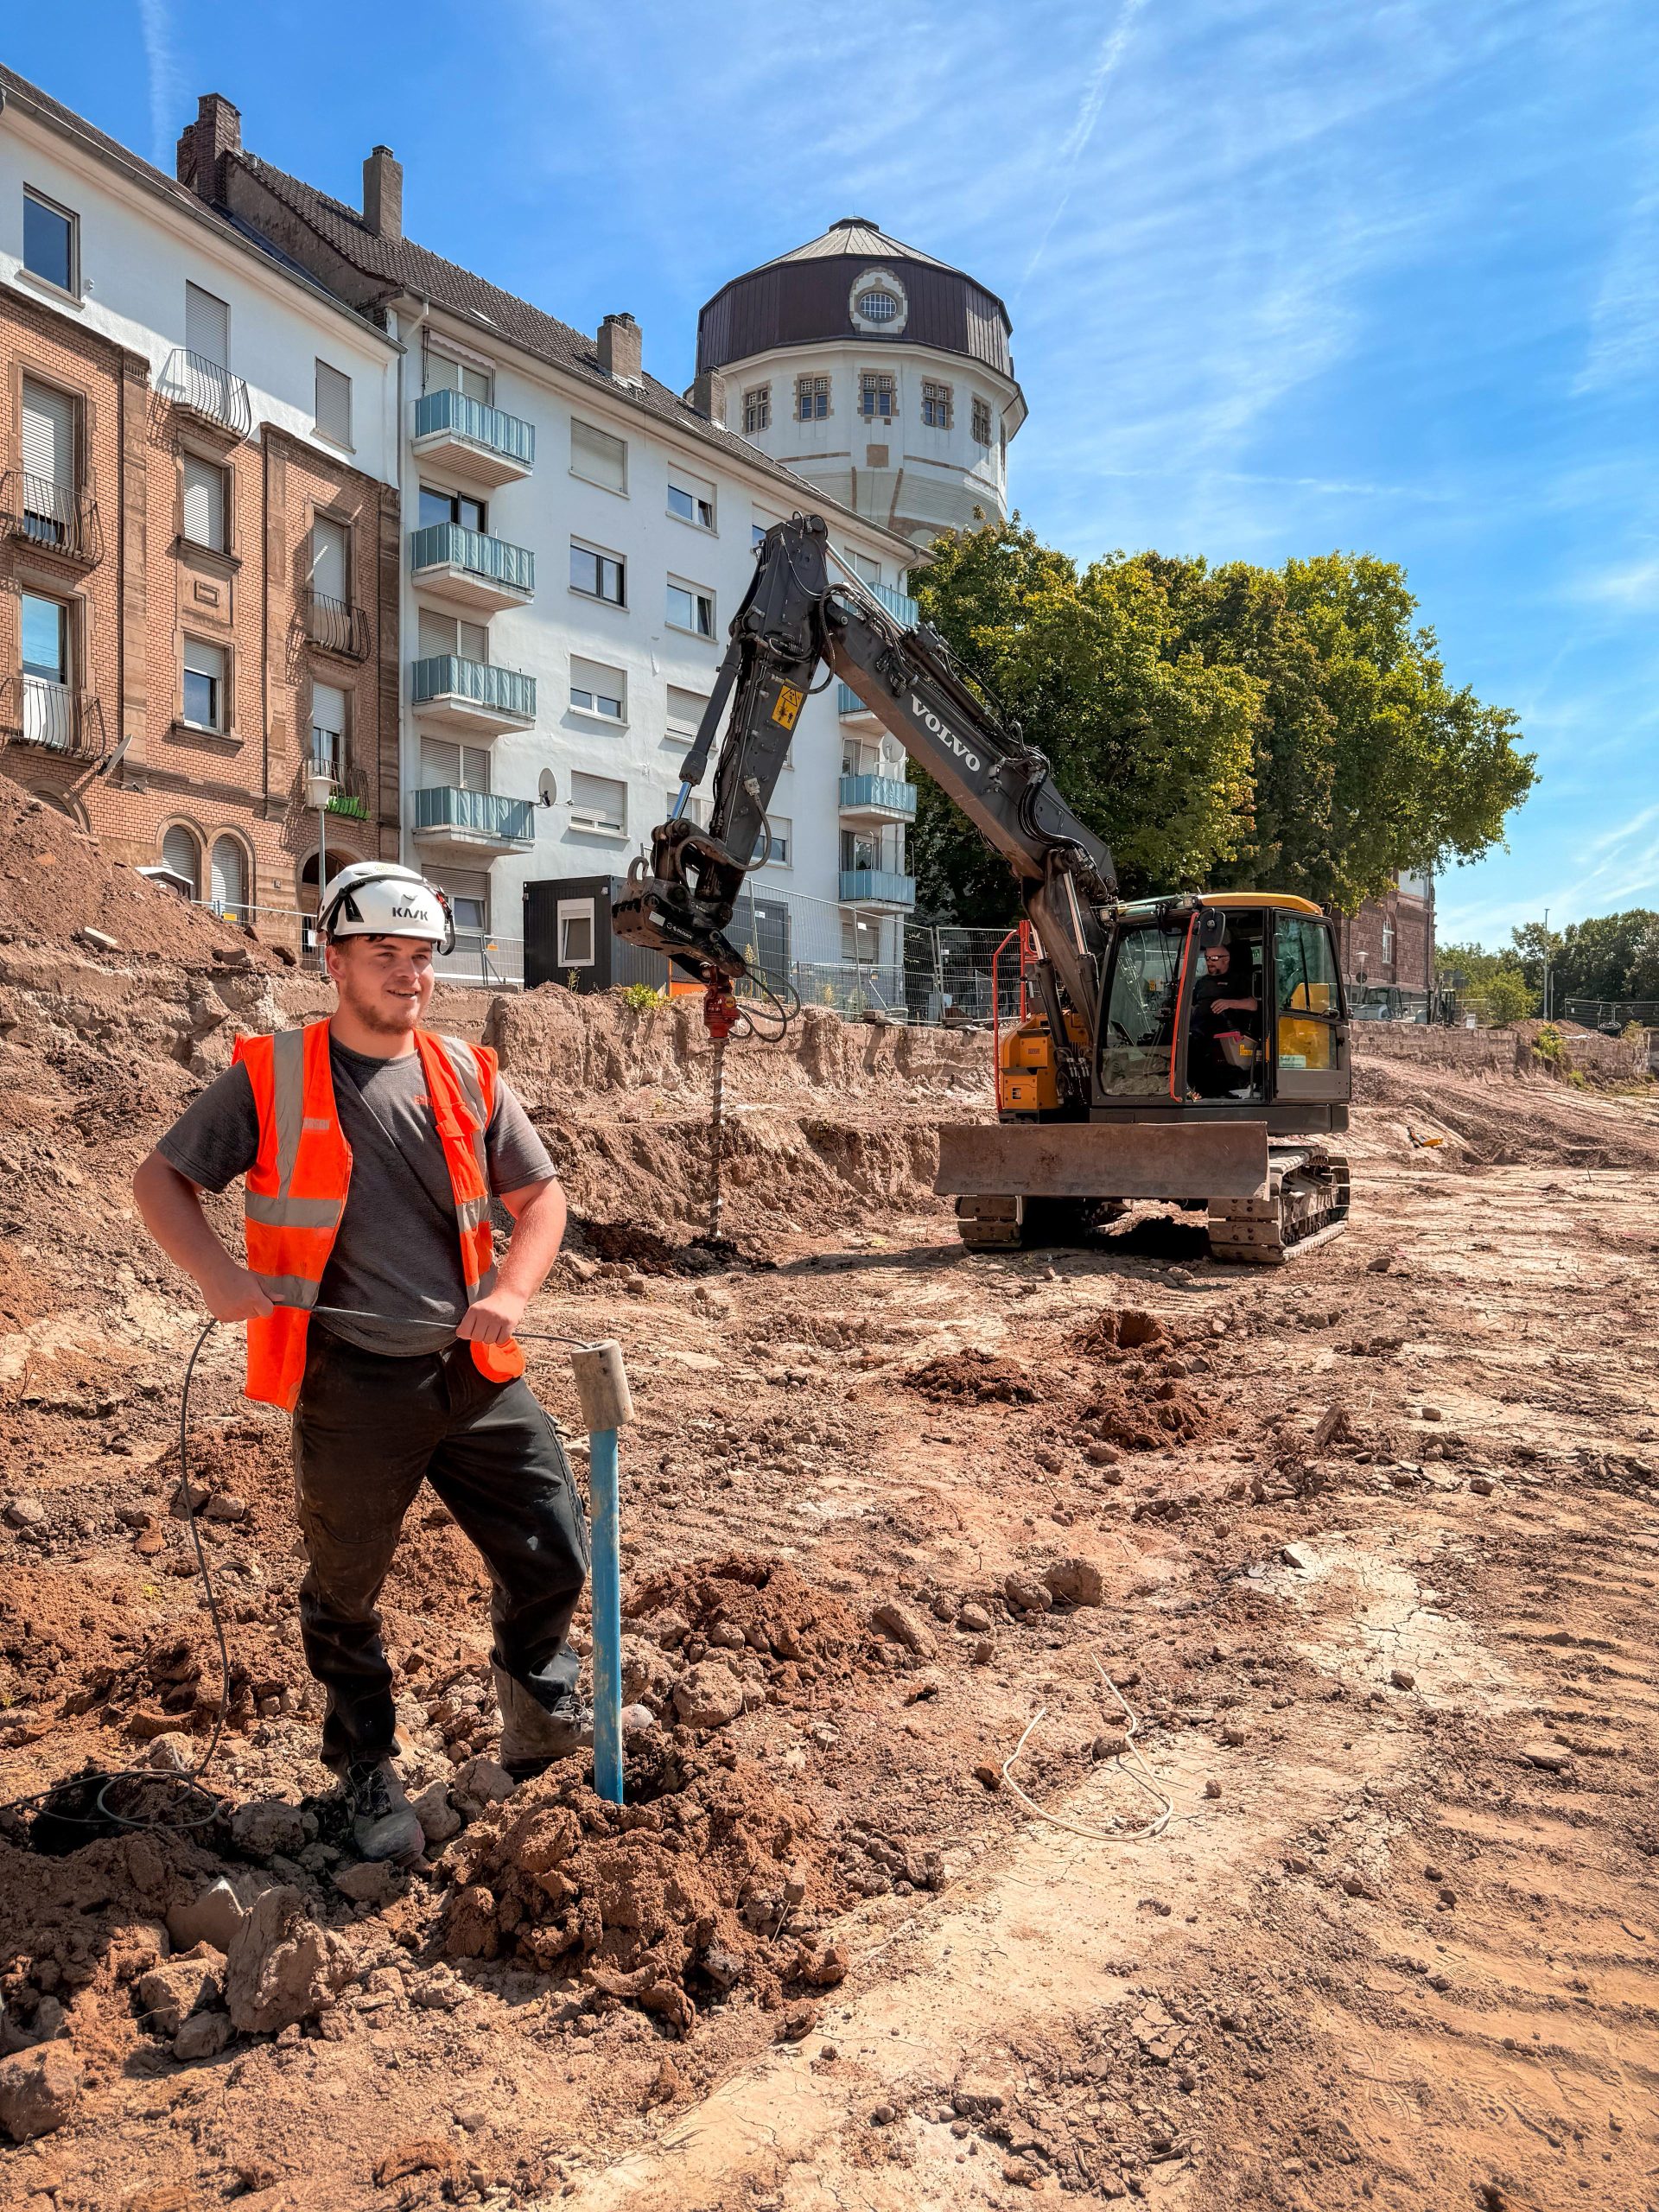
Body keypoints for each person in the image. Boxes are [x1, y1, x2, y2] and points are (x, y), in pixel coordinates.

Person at [132, 862, 589, 1864]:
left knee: (553, 1544)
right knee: (346, 1591)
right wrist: (218, 1277)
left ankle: (536, 1703)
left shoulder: (470, 1074)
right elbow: (159, 1178)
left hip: (476, 1371)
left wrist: (509, 1294)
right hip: (352, 1377)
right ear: (333, 960)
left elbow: (542, 1201)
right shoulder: (275, 1075)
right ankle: (364, 1769)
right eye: (385, 954)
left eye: (422, 957)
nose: (408, 975)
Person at [1188, 938, 1261, 1097]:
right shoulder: (1202, 983)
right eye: (1207, 958)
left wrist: (1230, 1003)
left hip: (1228, 1038)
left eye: (1214, 959)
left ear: (1226, 959)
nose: (1209, 962)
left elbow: (1254, 1004)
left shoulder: (1240, 980)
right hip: (1198, 1036)